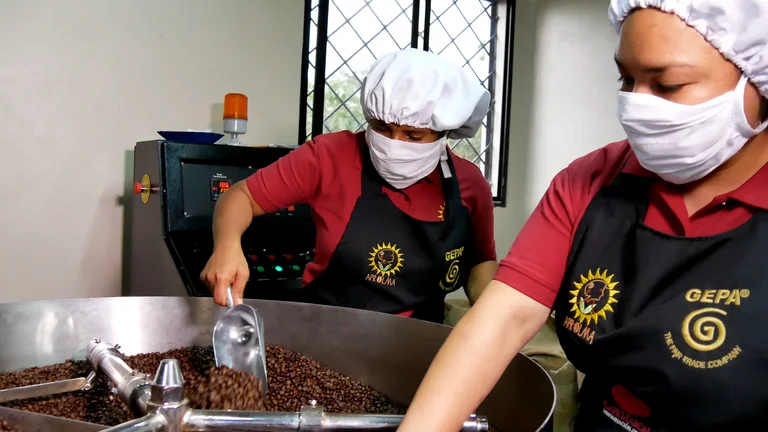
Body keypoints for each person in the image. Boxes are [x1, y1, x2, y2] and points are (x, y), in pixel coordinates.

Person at [397, 0, 768, 430]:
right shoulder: (589, 183)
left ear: (758, 82)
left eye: (668, 85)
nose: (636, 105)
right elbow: (501, 321)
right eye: (626, 79)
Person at [200, 48, 498, 324]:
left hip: (420, 345)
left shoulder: (469, 184)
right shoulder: (328, 157)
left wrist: (491, 318)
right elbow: (241, 197)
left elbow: (480, 261)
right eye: (382, 128)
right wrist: (227, 246)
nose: (394, 145)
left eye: (413, 136)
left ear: (444, 133)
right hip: (323, 336)